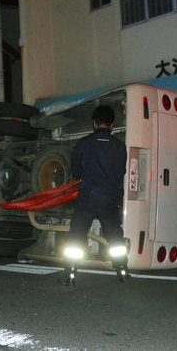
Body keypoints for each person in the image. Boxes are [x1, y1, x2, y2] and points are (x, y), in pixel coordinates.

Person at [60, 105, 129, 286]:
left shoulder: (84, 143)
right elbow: (121, 171)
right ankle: (121, 269)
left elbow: (75, 169)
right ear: (112, 124)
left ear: (94, 123)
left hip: (88, 196)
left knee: (77, 235)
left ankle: (71, 273)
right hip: (110, 197)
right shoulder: (120, 146)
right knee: (114, 235)